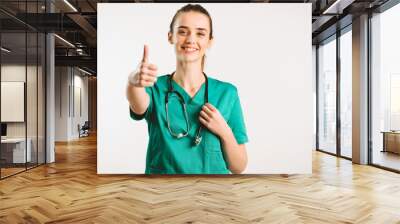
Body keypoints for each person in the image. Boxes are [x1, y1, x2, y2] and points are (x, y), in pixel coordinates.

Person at [126, 4, 248, 174]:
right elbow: (138, 104)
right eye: (183, 32)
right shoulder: (154, 87)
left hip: (212, 195)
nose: (191, 40)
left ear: (210, 41)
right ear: (171, 37)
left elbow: (238, 167)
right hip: (163, 195)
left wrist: (224, 131)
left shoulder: (227, 93)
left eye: (200, 33)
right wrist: (133, 82)